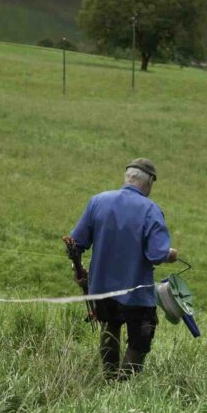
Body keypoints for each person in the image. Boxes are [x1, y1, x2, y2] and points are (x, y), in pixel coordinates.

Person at [68, 158, 178, 379]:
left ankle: (109, 378)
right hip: (136, 291)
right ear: (149, 183)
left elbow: (75, 244)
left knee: (110, 325)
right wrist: (171, 255)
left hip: (101, 287)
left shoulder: (97, 201)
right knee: (141, 337)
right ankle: (124, 386)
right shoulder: (151, 210)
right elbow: (156, 255)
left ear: (127, 177)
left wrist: (78, 270)